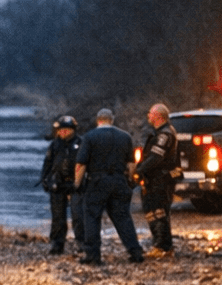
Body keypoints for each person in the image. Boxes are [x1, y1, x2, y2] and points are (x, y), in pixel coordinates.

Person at [74, 108, 144, 266]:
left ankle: (93, 255)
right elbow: (131, 163)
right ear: (112, 120)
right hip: (119, 181)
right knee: (123, 217)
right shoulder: (125, 136)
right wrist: (131, 180)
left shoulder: (90, 137)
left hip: (97, 182)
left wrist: (77, 184)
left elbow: (81, 164)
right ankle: (135, 251)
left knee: (92, 217)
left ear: (98, 120)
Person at [134, 103, 181, 257]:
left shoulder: (165, 135)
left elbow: (155, 157)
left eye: (150, 113)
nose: (148, 116)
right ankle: (160, 245)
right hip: (154, 180)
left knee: (159, 212)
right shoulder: (160, 133)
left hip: (161, 179)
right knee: (152, 212)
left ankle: (163, 247)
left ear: (158, 116)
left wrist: (139, 170)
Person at [40, 113, 84, 256]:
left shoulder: (81, 143)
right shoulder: (54, 145)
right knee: (58, 216)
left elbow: (86, 164)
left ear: (73, 130)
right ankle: (57, 244)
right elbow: (47, 163)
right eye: (61, 130)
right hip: (57, 184)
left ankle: (82, 244)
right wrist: (44, 179)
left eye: (66, 129)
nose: (62, 132)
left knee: (78, 216)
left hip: (76, 184)